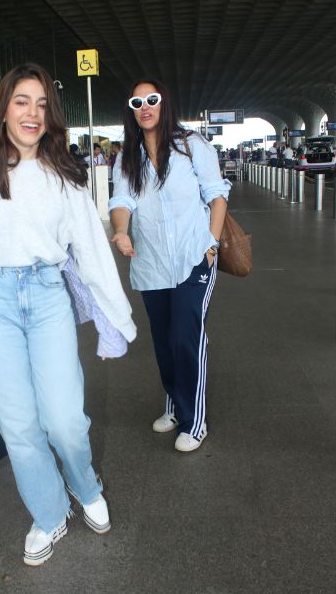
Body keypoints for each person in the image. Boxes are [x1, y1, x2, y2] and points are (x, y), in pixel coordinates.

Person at [0, 62, 136, 566]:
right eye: (22, 101)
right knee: (19, 426)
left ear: (51, 116)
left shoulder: (64, 176)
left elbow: (90, 250)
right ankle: (49, 512)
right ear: (3, 109)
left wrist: (114, 320)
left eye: (42, 104)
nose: (32, 113)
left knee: (65, 420)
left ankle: (84, 484)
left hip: (48, 297)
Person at [109, 78, 229, 453]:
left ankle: (195, 421)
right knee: (164, 343)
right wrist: (121, 230)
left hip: (194, 257)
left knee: (185, 338)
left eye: (152, 99)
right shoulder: (127, 157)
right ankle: (176, 407)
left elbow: (217, 195)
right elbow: (121, 201)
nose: (145, 107)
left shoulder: (192, 146)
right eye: (137, 102)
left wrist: (211, 243)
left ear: (164, 103)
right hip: (152, 264)